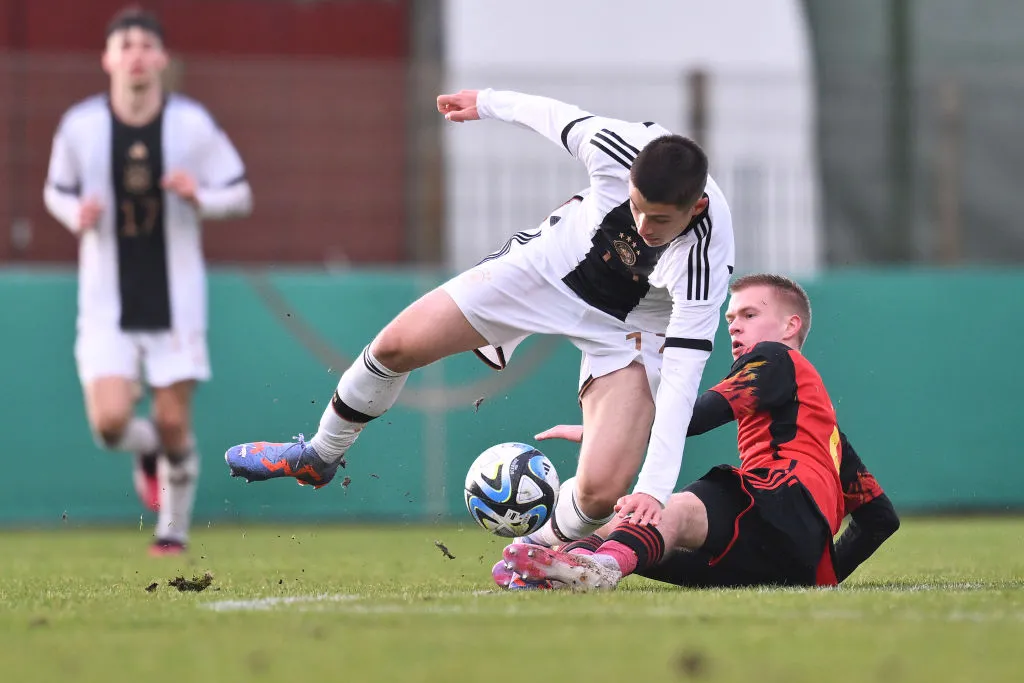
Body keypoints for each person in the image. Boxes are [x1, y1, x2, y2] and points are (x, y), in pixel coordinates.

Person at [226, 88, 734, 549]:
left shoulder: (707, 258)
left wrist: (653, 488)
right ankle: (318, 455)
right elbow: (555, 116)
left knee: (602, 493)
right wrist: (486, 102)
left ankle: (534, 552)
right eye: (638, 208)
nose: (643, 226)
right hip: (545, 269)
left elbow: (683, 377)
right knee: (394, 347)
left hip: (630, 331)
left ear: (697, 207)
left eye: (661, 220)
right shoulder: (615, 146)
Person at [502, 274, 900, 589]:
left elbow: (694, 417)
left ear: (789, 326)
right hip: (792, 561)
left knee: (668, 509)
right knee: (632, 526)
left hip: (783, 501)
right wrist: (825, 575)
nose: (734, 327)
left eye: (748, 315)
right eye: (730, 319)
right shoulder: (827, 437)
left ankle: (587, 565)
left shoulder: (777, 357)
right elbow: (879, 519)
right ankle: (550, 562)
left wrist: (611, 431)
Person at [43, 7, 253, 555]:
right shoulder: (80, 126)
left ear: (161, 57)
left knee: (172, 421)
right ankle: (145, 454)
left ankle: (173, 531)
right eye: (125, 44)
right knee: (111, 424)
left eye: (144, 44)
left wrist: (198, 196)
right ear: (108, 58)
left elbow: (239, 192)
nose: (135, 53)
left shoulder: (192, 124)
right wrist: (74, 215)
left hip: (175, 299)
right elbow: (55, 191)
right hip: (106, 300)